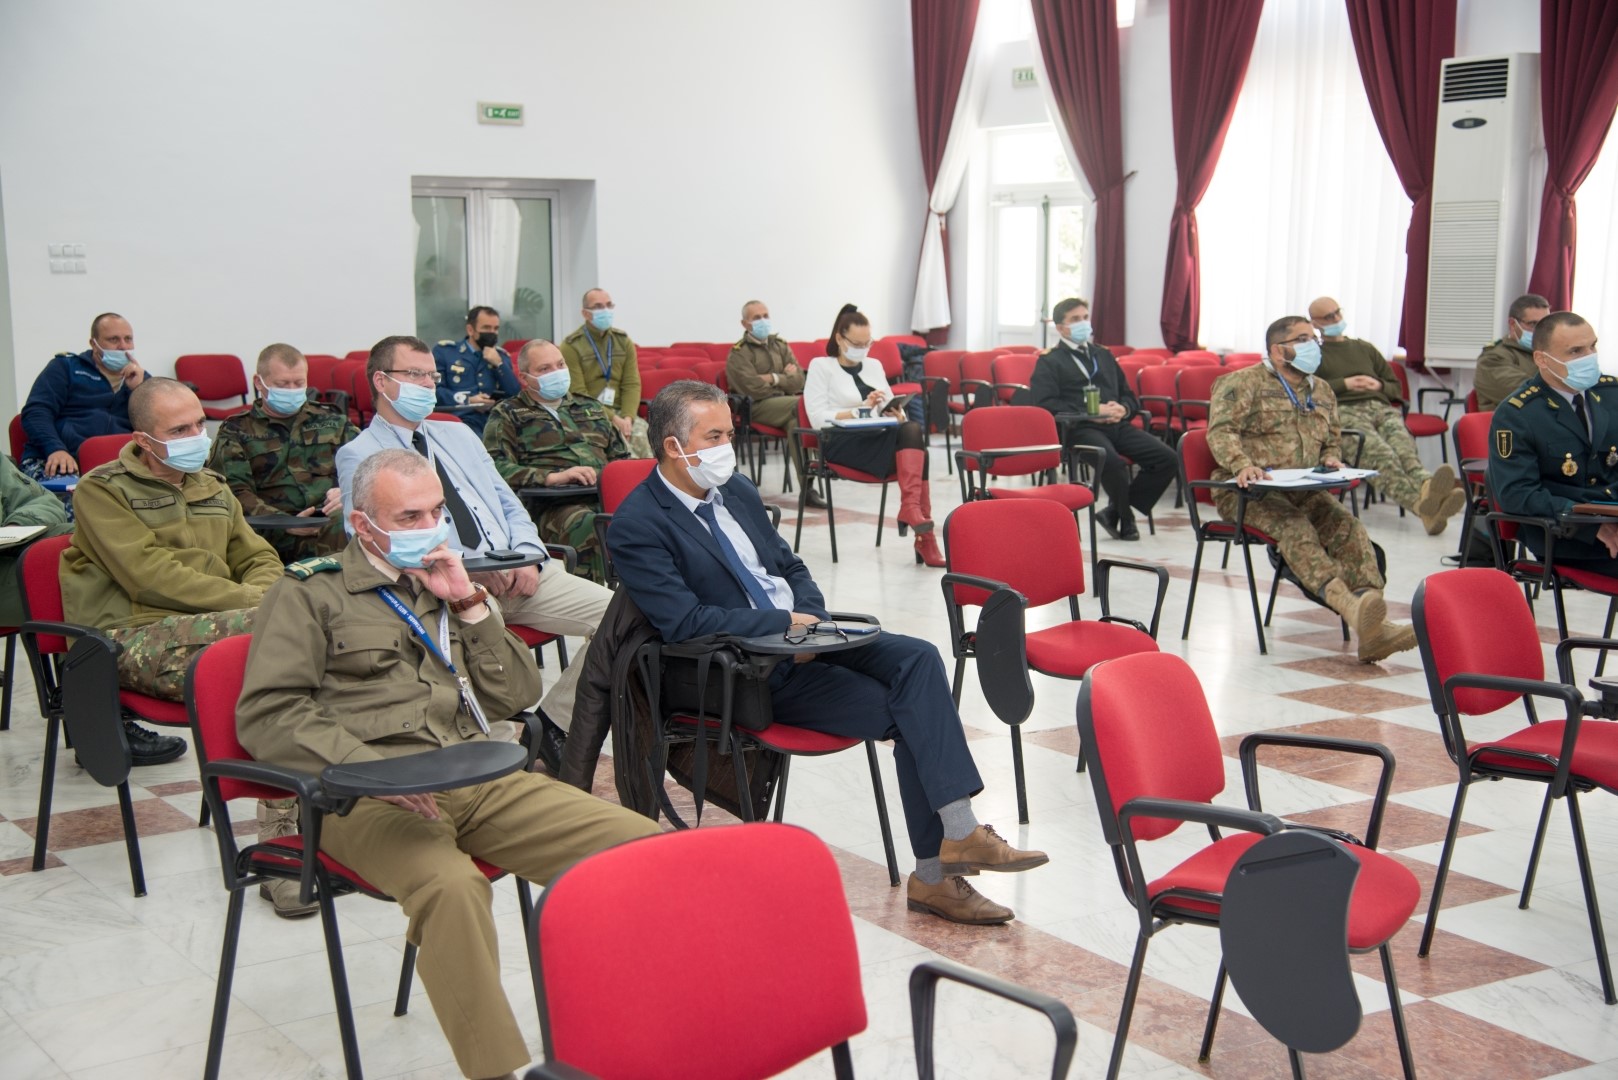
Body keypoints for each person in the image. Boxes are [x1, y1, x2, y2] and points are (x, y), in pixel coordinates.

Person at [237, 448, 659, 1080]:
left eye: (437, 511)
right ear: (362, 524)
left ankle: (638, 1039)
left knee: (643, 852)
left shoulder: (444, 583)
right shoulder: (310, 594)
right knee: (453, 888)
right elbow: (269, 713)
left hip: (475, 778)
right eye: (409, 517)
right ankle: (496, 1071)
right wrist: (367, 771)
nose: (431, 527)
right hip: (364, 796)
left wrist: (469, 605)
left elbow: (515, 694)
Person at [609, 379, 1048, 926]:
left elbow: (789, 566)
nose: (728, 447)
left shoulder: (736, 491)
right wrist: (780, 627)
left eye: (730, 433)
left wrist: (810, 620)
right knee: (909, 713)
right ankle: (938, 873)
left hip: (805, 635)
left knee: (918, 658)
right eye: (713, 436)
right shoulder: (638, 524)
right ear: (674, 446)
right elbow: (684, 623)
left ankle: (956, 840)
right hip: (747, 669)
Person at [335, 336, 613, 769]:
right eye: (415, 375)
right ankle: (498, 759)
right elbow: (371, 540)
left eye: (432, 375)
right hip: (449, 588)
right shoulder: (360, 454)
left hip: (518, 570)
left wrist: (528, 556)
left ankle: (555, 725)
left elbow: (508, 502)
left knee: (620, 616)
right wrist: (466, 575)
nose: (428, 385)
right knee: (481, 638)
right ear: (382, 382)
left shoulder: (459, 433)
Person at [1206, 316, 1416, 663]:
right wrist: (1242, 463)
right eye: (1302, 339)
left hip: (1304, 487)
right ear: (1278, 351)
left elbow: (1331, 438)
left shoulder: (1321, 390)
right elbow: (1221, 431)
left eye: (1313, 338)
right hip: (1249, 491)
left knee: (1349, 528)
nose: (1313, 345)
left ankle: (1373, 625)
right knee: (1296, 529)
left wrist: (1331, 459)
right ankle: (1352, 609)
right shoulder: (1241, 383)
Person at [802, 304, 943, 566]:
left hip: (876, 436)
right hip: (840, 442)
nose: (863, 349)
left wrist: (895, 413)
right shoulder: (821, 366)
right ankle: (924, 537)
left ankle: (913, 512)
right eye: (857, 343)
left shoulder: (874, 365)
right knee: (917, 449)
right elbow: (817, 418)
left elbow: (890, 406)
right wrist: (861, 410)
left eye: (867, 343)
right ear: (839, 339)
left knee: (911, 430)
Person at [1308, 296, 1463, 534]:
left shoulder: (1364, 348)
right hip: (1344, 412)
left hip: (1380, 408)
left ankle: (1427, 487)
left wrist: (1378, 385)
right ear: (1315, 323)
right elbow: (1309, 391)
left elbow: (1395, 387)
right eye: (1329, 317)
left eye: (1338, 312)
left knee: (1405, 451)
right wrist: (1345, 384)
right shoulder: (1315, 355)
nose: (1337, 318)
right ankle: (1423, 506)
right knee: (1383, 456)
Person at [1029, 298, 1176, 540]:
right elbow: (1045, 404)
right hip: (1079, 428)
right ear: (1061, 328)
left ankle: (1114, 511)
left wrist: (1123, 409)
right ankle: (1126, 519)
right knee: (1112, 462)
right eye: (1075, 319)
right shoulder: (1050, 361)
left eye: (1085, 317)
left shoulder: (1104, 355)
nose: (1083, 323)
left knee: (1167, 458)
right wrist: (1090, 412)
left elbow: (1128, 395)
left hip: (1117, 424)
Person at [482, 339, 628, 582]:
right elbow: (494, 467)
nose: (556, 373)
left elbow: (622, 460)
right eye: (545, 369)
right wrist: (551, 478)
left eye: (560, 365)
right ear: (525, 378)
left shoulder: (591, 407)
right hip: (550, 507)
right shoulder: (508, 413)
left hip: (602, 497)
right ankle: (596, 599)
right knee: (587, 523)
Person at [1489, 311, 1618, 577]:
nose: (1589, 357)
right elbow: (1517, 494)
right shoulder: (1518, 414)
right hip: (1566, 535)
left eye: (1592, 346)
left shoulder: (1610, 394)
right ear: (1542, 359)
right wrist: (1592, 526)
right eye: (1576, 351)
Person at [207, 343, 358, 563]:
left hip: (333, 516)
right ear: (259, 382)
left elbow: (368, 464)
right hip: (275, 530)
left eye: (299, 383)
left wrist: (348, 491)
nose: (292, 390)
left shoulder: (332, 421)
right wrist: (285, 523)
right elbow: (233, 491)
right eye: (282, 384)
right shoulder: (237, 431)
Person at [19, 313, 148, 519]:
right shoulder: (65, 368)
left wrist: (138, 391)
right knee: (81, 512)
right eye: (113, 339)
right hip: (61, 461)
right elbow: (36, 412)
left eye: (128, 339)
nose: (123, 346)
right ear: (94, 344)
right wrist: (55, 448)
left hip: (116, 466)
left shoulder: (142, 380)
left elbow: (155, 428)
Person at [725, 299, 822, 506]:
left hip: (785, 406)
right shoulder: (739, 353)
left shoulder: (780, 345)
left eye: (765, 316)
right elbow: (752, 388)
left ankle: (807, 488)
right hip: (756, 407)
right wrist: (784, 380)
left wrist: (772, 378)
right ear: (745, 324)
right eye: (756, 318)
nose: (763, 321)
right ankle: (818, 472)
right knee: (801, 406)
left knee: (796, 424)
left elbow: (799, 380)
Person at [559, 288, 650, 457]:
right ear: (585, 313)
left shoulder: (623, 341)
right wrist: (614, 419)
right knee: (624, 450)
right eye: (598, 306)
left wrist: (628, 418)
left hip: (623, 413)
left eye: (609, 305)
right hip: (590, 414)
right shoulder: (571, 346)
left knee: (645, 439)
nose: (605, 310)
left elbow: (631, 384)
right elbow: (579, 393)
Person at [0, 456, 71, 625]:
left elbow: (43, 501)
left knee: (86, 542)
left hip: (9, 549)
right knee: (86, 588)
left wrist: (16, 526)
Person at [432, 305, 522, 436]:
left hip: (493, 420)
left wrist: (499, 364)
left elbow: (515, 395)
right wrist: (468, 399)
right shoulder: (445, 352)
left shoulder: (501, 356)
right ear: (470, 330)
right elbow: (435, 391)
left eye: (495, 328)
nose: (492, 332)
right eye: (486, 328)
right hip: (459, 420)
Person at [1476, 293, 1552, 410]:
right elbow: (1527, 393)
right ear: (1512, 324)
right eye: (1533, 324)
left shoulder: (1547, 352)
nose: (1541, 331)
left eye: (1545, 325)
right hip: (1512, 419)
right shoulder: (1492, 358)